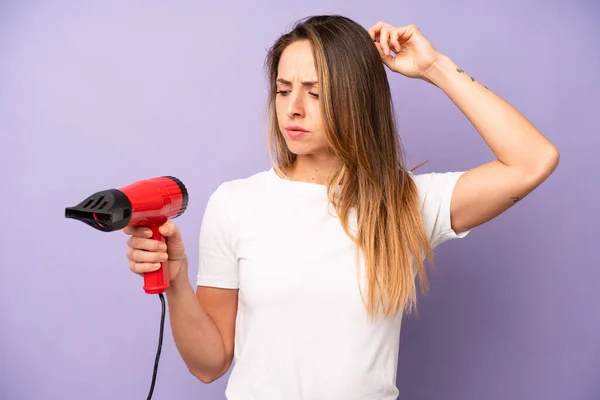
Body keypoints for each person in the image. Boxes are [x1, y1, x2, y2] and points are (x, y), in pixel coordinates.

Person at [124, 15, 559, 400]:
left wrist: (434, 68)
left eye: (315, 93)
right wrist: (176, 281)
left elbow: (531, 161)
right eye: (283, 90)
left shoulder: (403, 204)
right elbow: (209, 364)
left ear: (356, 99)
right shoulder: (236, 204)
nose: (293, 108)